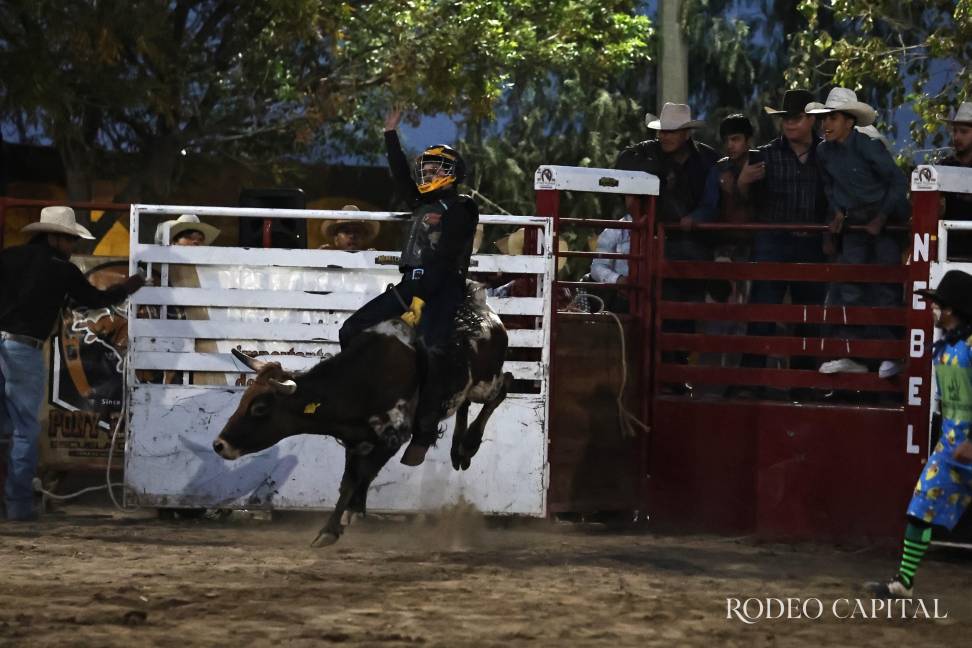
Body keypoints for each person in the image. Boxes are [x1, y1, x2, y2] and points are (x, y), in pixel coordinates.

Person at [338, 108, 479, 466]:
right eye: (426, 169)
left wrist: (421, 294)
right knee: (351, 329)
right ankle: (364, 402)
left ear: (451, 173)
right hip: (411, 284)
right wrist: (390, 134)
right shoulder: (422, 203)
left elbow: (447, 255)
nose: (427, 173)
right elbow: (400, 174)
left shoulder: (462, 207)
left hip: (443, 288)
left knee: (432, 349)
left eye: (434, 169)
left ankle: (426, 430)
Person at [0, 207, 145, 520]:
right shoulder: (61, 270)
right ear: (54, 237)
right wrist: (128, 287)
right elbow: (94, 301)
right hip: (22, 348)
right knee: (25, 430)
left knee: (5, 426)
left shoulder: (8, 257)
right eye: (70, 241)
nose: (73, 247)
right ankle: (18, 506)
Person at [868, 270, 972, 597]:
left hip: (965, 442)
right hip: (952, 444)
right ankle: (904, 582)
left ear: (951, 309)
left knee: (922, 505)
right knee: (921, 505)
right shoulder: (945, 347)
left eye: (936, 304)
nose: (932, 309)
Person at [808, 87, 909, 378]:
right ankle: (854, 354)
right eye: (825, 118)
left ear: (849, 122)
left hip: (885, 224)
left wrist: (882, 216)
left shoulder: (867, 145)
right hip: (855, 223)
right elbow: (829, 185)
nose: (826, 124)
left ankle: (891, 356)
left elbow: (898, 182)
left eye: (833, 118)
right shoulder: (824, 151)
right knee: (850, 286)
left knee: (885, 287)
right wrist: (838, 209)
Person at [616, 102, 718, 380]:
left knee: (688, 312)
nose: (665, 137)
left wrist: (696, 218)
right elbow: (622, 164)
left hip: (696, 245)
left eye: (672, 132)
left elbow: (714, 201)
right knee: (664, 308)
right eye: (663, 132)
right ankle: (666, 373)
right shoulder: (648, 154)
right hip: (664, 243)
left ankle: (679, 372)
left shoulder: (707, 160)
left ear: (686, 134)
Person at [736, 89, 828, 386]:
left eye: (797, 119)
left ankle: (803, 382)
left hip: (812, 241)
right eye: (786, 119)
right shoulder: (767, 154)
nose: (789, 125)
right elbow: (745, 199)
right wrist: (743, 183)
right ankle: (749, 381)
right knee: (762, 310)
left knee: (808, 315)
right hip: (774, 239)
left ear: (811, 120)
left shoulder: (826, 154)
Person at [150, 214, 223, 386]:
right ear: (174, 242)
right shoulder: (158, 268)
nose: (196, 241)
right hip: (166, 341)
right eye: (189, 237)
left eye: (199, 239)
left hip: (199, 340)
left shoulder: (207, 272)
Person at [937, 103, 972, 259]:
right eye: (955, 131)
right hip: (949, 250)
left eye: (964, 132)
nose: (957, 137)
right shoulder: (944, 166)